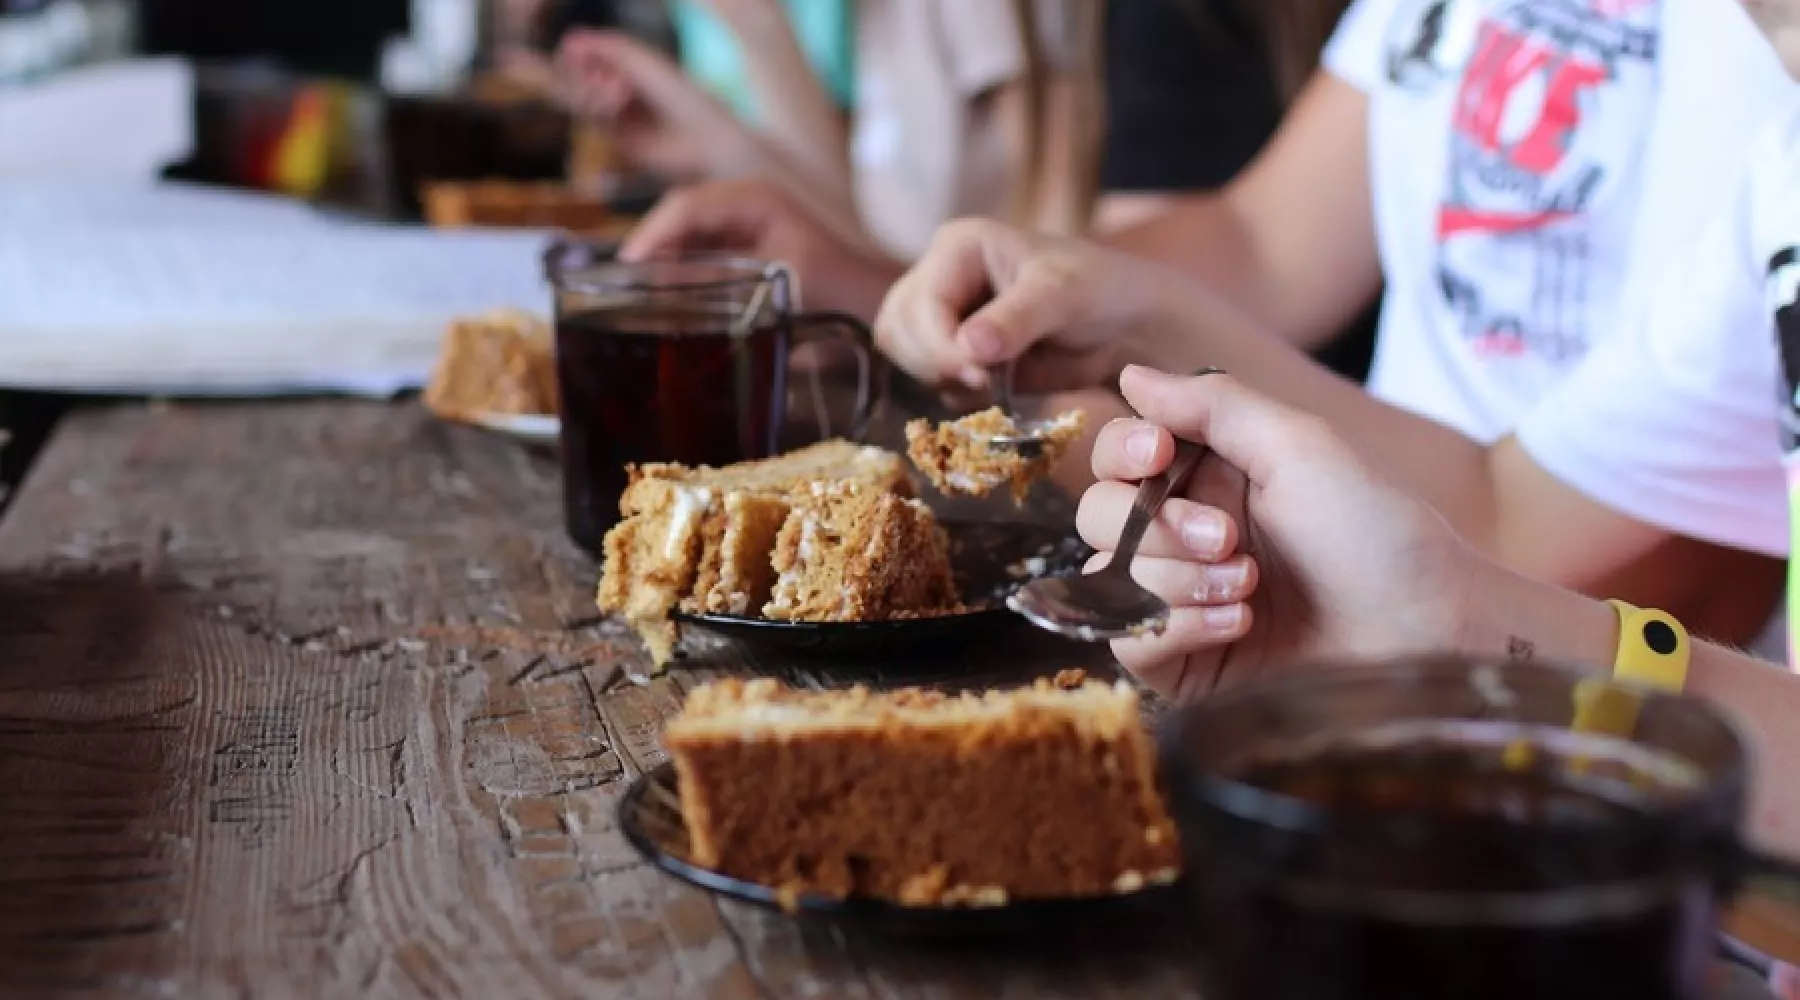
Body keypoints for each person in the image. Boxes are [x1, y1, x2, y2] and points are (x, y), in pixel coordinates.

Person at [871, 0, 1800, 651]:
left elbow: (1644, 551)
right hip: (1454, 585)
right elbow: (1267, 240)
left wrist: (1444, 619)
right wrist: (1116, 304)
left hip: (1565, 658)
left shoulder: (1768, 73)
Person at [594, 0, 1102, 316]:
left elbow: (1053, 248)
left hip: (966, 371)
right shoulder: (874, 14)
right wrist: (750, 22)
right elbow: (849, 218)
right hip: (906, 348)